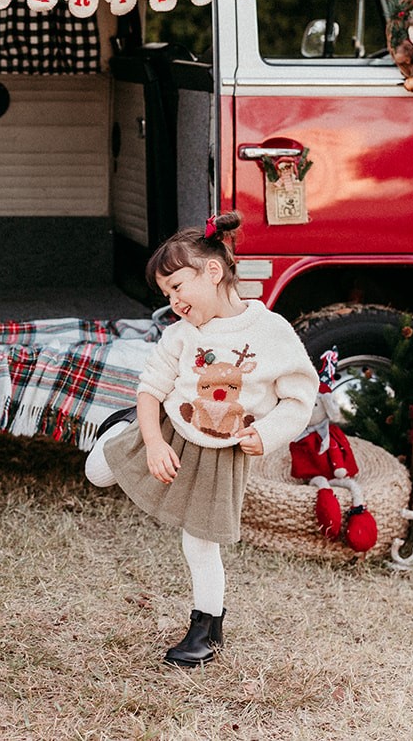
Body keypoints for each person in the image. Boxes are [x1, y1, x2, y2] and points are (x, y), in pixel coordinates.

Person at [85, 213, 318, 666]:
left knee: (200, 540)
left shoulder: (271, 333)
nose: (173, 302)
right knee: (96, 474)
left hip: (221, 453)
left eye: (176, 287)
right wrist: (152, 442)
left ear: (212, 271)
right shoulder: (182, 334)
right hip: (169, 428)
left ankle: (206, 630)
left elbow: (298, 399)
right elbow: (150, 389)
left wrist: (265, 434)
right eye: (166, 294)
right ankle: (121, 427)